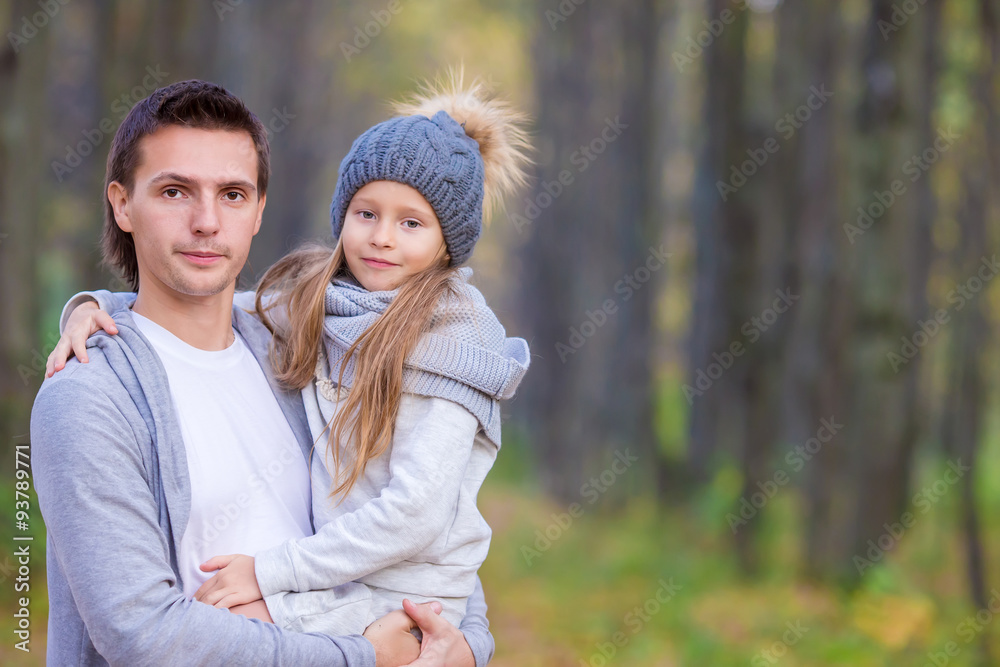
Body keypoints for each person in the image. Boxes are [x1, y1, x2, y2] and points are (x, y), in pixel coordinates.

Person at [33, 79, 491, 666]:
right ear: (122, 204)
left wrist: (469, 649)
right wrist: (360, 657)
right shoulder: (89, 394)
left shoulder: (298, 350)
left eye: (231, 194)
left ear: (257, 211)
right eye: (174, 192)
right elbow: (141, 634)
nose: (206, 221)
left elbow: (431, 536)